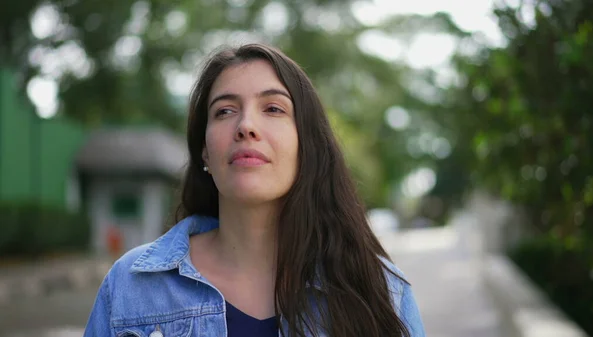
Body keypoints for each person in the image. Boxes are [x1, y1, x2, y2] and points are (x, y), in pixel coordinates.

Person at [84, 43, 425, 337]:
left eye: (273, 108)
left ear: (306, 145)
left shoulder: (381, 291)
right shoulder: (130, 288)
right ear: (205, 150)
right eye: (225, 111)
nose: (246, 125)